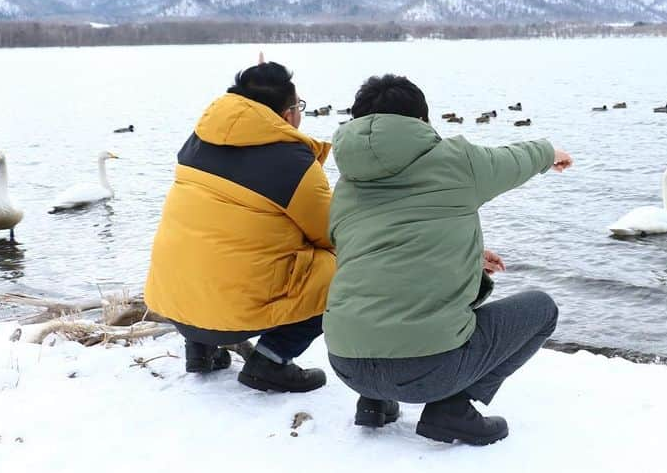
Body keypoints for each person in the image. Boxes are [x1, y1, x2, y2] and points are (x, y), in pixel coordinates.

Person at [325, 74, 572, 445]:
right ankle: (453, 409)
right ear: (422, 122)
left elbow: (380, 258)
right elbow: (513, 160)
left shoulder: (345, 186)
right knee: (541, 310)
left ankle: (373, 403)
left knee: (374, 292)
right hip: (425, 370)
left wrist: (468, 256)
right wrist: (550, 152)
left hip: (346, 362)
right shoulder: (456, 160)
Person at [144, 61, 336, 393]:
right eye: (299, 106)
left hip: (174, 303)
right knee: (339, 266)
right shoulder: (292, 162)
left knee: (209, 243)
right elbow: (332, 233)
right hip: (230, 316)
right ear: (288, 114)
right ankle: (271, 361)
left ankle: (200, 348)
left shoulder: (197, 142)